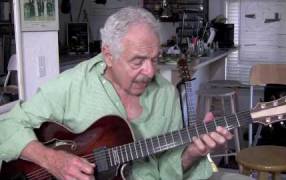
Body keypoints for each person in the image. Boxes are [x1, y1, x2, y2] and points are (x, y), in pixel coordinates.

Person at [0, 7, 235, 180]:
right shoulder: (73, 84)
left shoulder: (165, 94)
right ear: (108, 55)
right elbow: (7, 126)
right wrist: (51, 160)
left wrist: (191, 153)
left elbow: (165, 169)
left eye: (155, 59)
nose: (151, 71)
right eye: (138, 61)